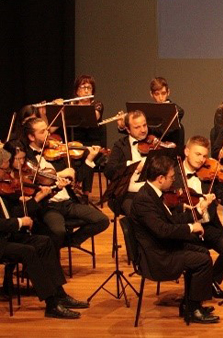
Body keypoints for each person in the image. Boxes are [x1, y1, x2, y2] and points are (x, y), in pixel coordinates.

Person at [129, 152, 219, 324]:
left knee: (202, 252)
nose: (174, 180)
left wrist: (198, 212)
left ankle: (191, 304)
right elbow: (163, 230)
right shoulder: (144, 199)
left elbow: (171, 221)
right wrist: (191, 228)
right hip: (156, 257)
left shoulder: (153, 193)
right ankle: (193, 311)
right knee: (202, 261)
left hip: (163, 247)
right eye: (171, 177)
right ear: (160, 178)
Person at [0, 149, 90, 319]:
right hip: (1, 241)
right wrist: (19, 222)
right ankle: (51, 304)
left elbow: (17, 210)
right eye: (4, 170)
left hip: (9, 235)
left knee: (45, 241)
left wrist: (38, 197)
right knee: (29, 251)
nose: (8, 174)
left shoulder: (4, 188)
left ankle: (60, 294)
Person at [20, 116, 109, 255]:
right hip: (48, 205)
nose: (48, 134)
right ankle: (51, 261)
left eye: (47, 130)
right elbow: (33, 179)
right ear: (31, 137)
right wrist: (60, 174)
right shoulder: (25, 158)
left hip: (68, 203)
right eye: (42, 132)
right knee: (58, 231)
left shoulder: (57, 154)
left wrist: (89, 159)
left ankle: (70, 241)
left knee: (102, 220)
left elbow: (77, 177)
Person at [170, 136, 223, 299]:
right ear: (186, 152)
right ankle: (198, 292)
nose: (201, 160)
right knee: (201, 256)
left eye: (204, 156)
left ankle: (210, 282)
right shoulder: (173, 175)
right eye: (197, 154)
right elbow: (171, 207)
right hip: (186, 228)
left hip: (208, 225)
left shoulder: (210, 175)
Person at [104, 109, 151, 216]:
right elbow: (109, 171)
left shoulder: (153, 142)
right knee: (137, 214)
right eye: (137, 127)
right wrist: (131, 165)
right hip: (128, 194)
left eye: (144, 125)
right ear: (128, 130)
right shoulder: (120, 145)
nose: (143, 130)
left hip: (151, 192)